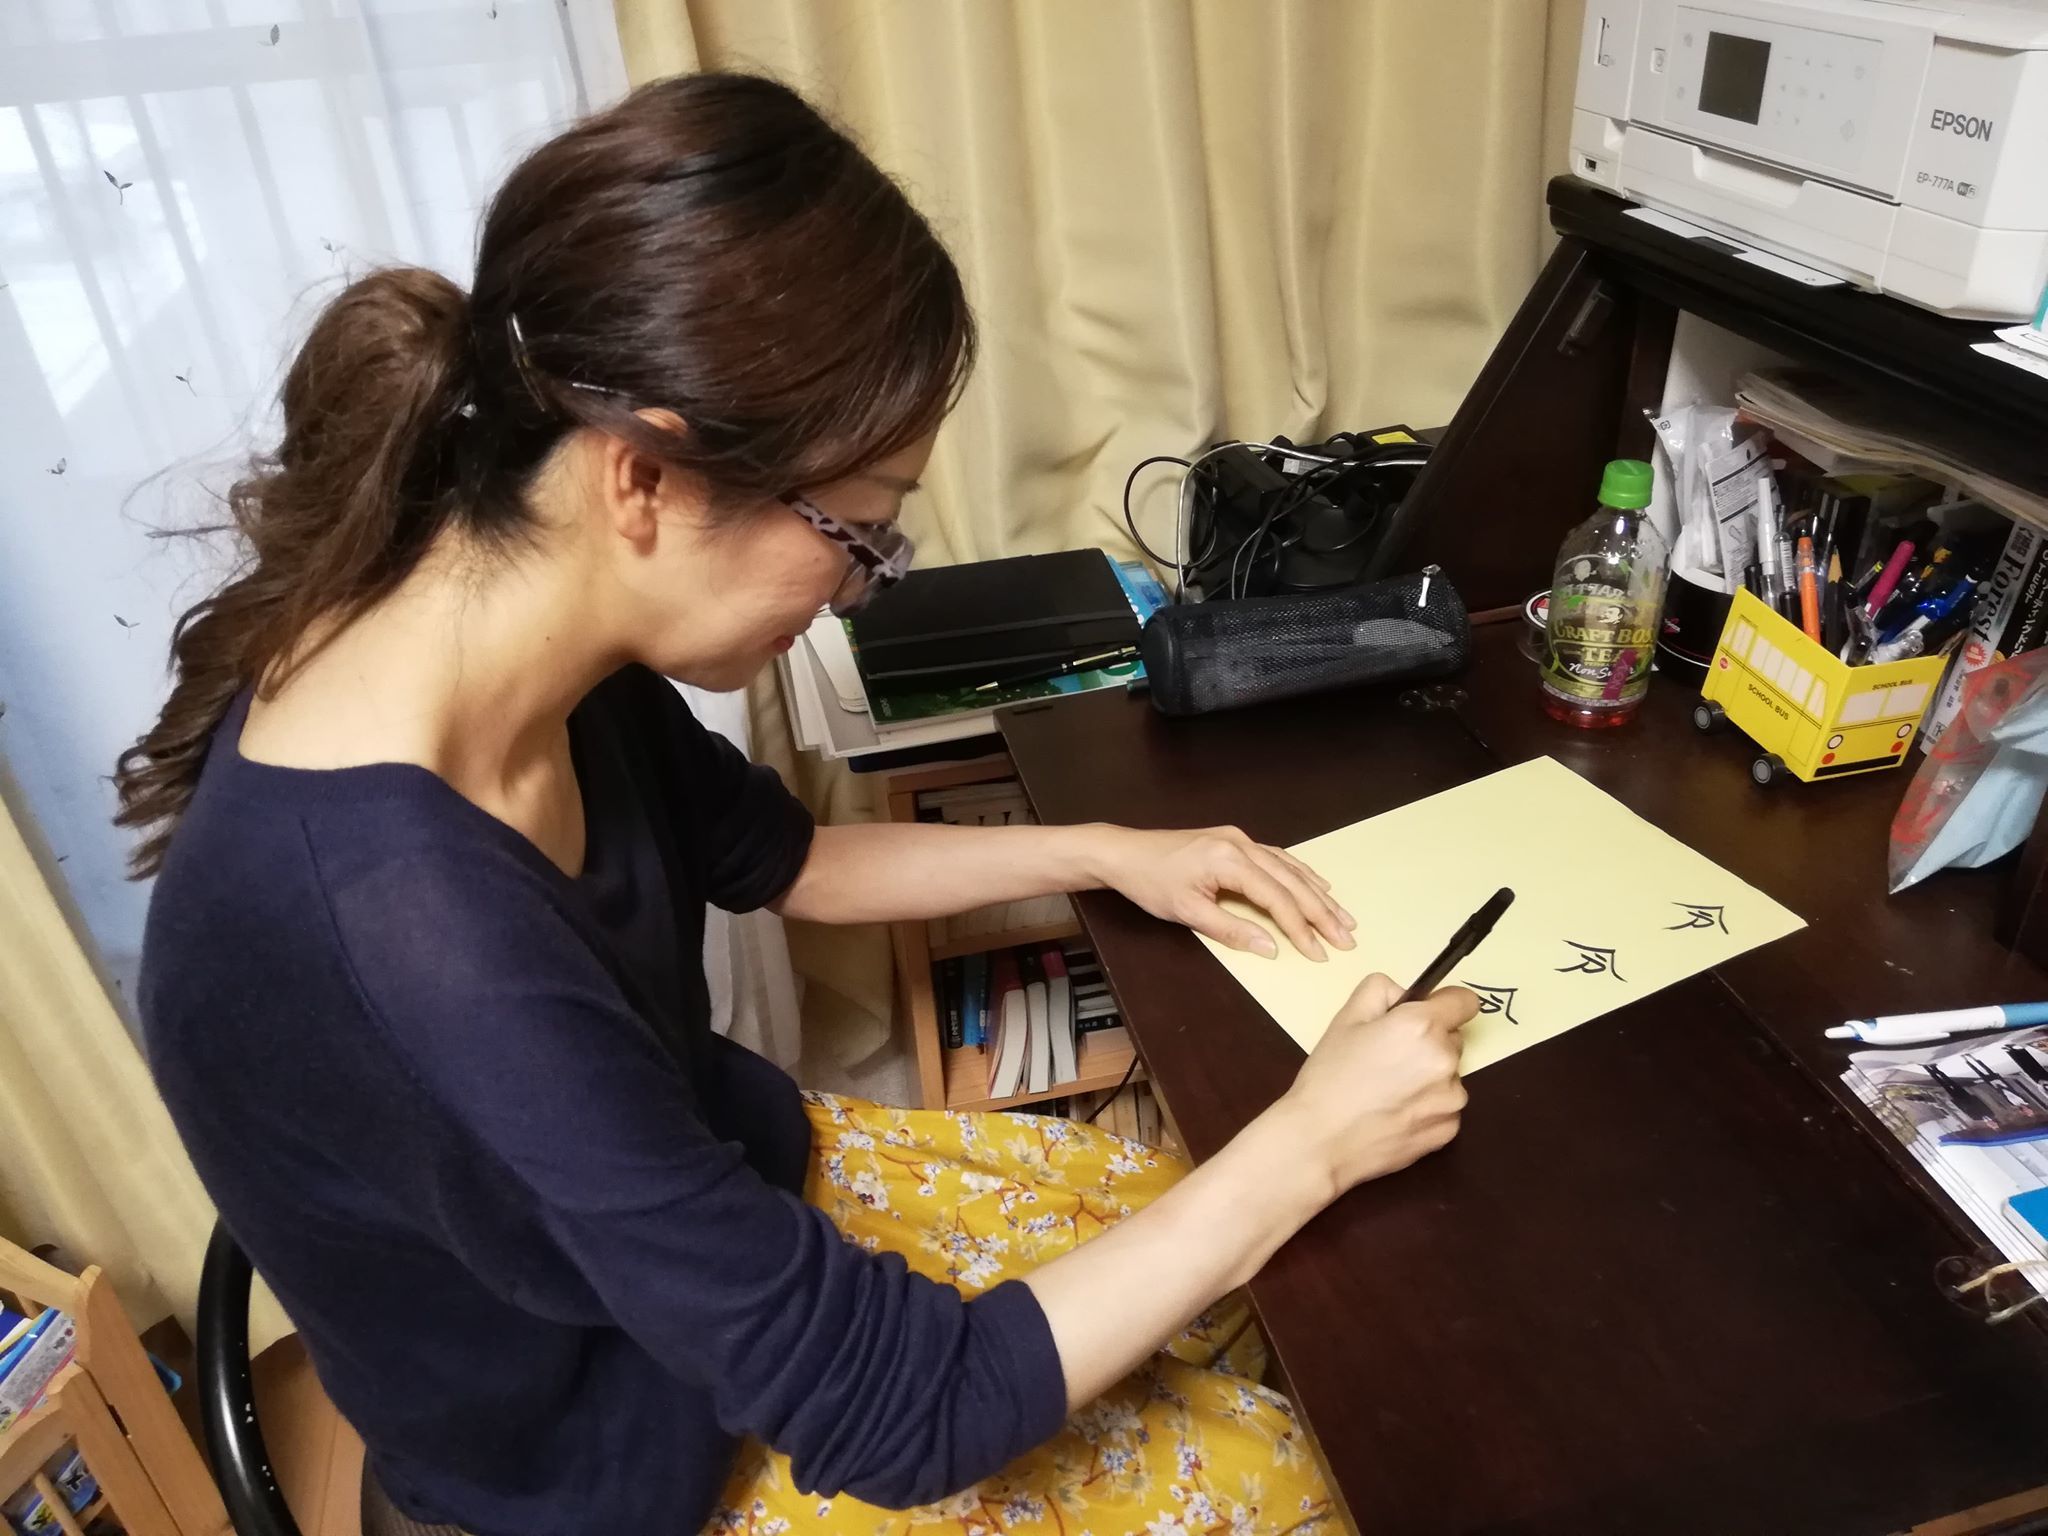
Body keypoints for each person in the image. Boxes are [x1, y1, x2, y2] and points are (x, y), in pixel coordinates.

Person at [121, 74, 1475, 1536]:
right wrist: (1310, 1139)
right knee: (1321, 1468)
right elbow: (902, 1415)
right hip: (625, 1460)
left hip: (728, 1204)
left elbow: (792, 859)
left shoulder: (505, 623)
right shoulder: (412, 936)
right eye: (859, 532)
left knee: (1242, 1271)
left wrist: (1110, 850)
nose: (855, 589)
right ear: (643, 475)